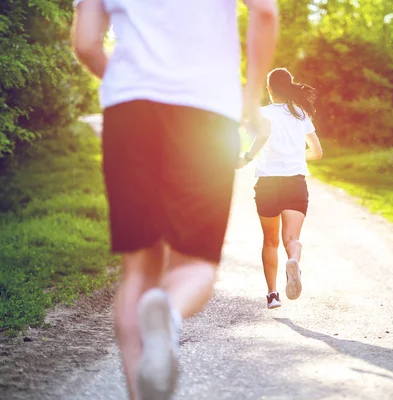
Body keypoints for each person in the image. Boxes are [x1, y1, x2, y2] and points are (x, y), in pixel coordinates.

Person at [71, 1, 278, 399]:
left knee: (138, 269)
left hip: (129, 111)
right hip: (207, 110)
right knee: (197, 263)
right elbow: (265, 12)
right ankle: (167, 315)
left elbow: (85, 43)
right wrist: (249, 102)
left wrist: (127, 84)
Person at [237, 68, 323, 309]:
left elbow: (261, 135)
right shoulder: (301, 115)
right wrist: (296, 154)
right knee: (292, 238)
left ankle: (273, 294)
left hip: (267, 184)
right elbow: (317, 152)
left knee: (270, 241)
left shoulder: (264, 114)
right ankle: (293, 260)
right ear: (290, 86)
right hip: (294, 183)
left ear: (269, 89)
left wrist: (246, 157)